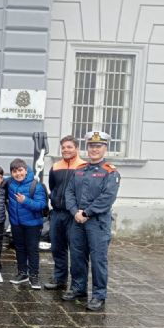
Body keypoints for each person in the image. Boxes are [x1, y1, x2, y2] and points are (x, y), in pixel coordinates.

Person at [63, 131, 120, 311]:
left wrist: (87, 212)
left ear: (105, 148)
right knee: (77, 256)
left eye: (98, 146)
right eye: (91, 146)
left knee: (98, 259)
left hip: (97, 223)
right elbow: (69, 192)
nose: (94, 149)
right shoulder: (79, 170)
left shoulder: (110, 172)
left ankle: (98, 295)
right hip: (77, 221)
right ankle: (78, 288)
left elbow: (107, 197)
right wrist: (75, 212)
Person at [44, 135, 86, 290]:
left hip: (74, 215)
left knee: (76, 251)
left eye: (69, 147)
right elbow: (53, 187)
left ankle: (78, 285)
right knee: (57, 248)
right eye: (63, 147)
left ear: (77, 148)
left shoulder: (84, 167)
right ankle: (60, 279)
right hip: (57, 213)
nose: (66, 150)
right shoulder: (56, 167)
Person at [7, 159, 48, 290]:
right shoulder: (10, 183)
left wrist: (25, 201)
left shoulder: (36, 185)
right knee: (19, 248)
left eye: (20, 170)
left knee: (32, 250)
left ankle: (34, 275)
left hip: (32, 224)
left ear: (25, 170)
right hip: (16, 223)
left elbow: (41, 205)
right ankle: (22, 273)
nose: (18, 174)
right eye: (14, 171)